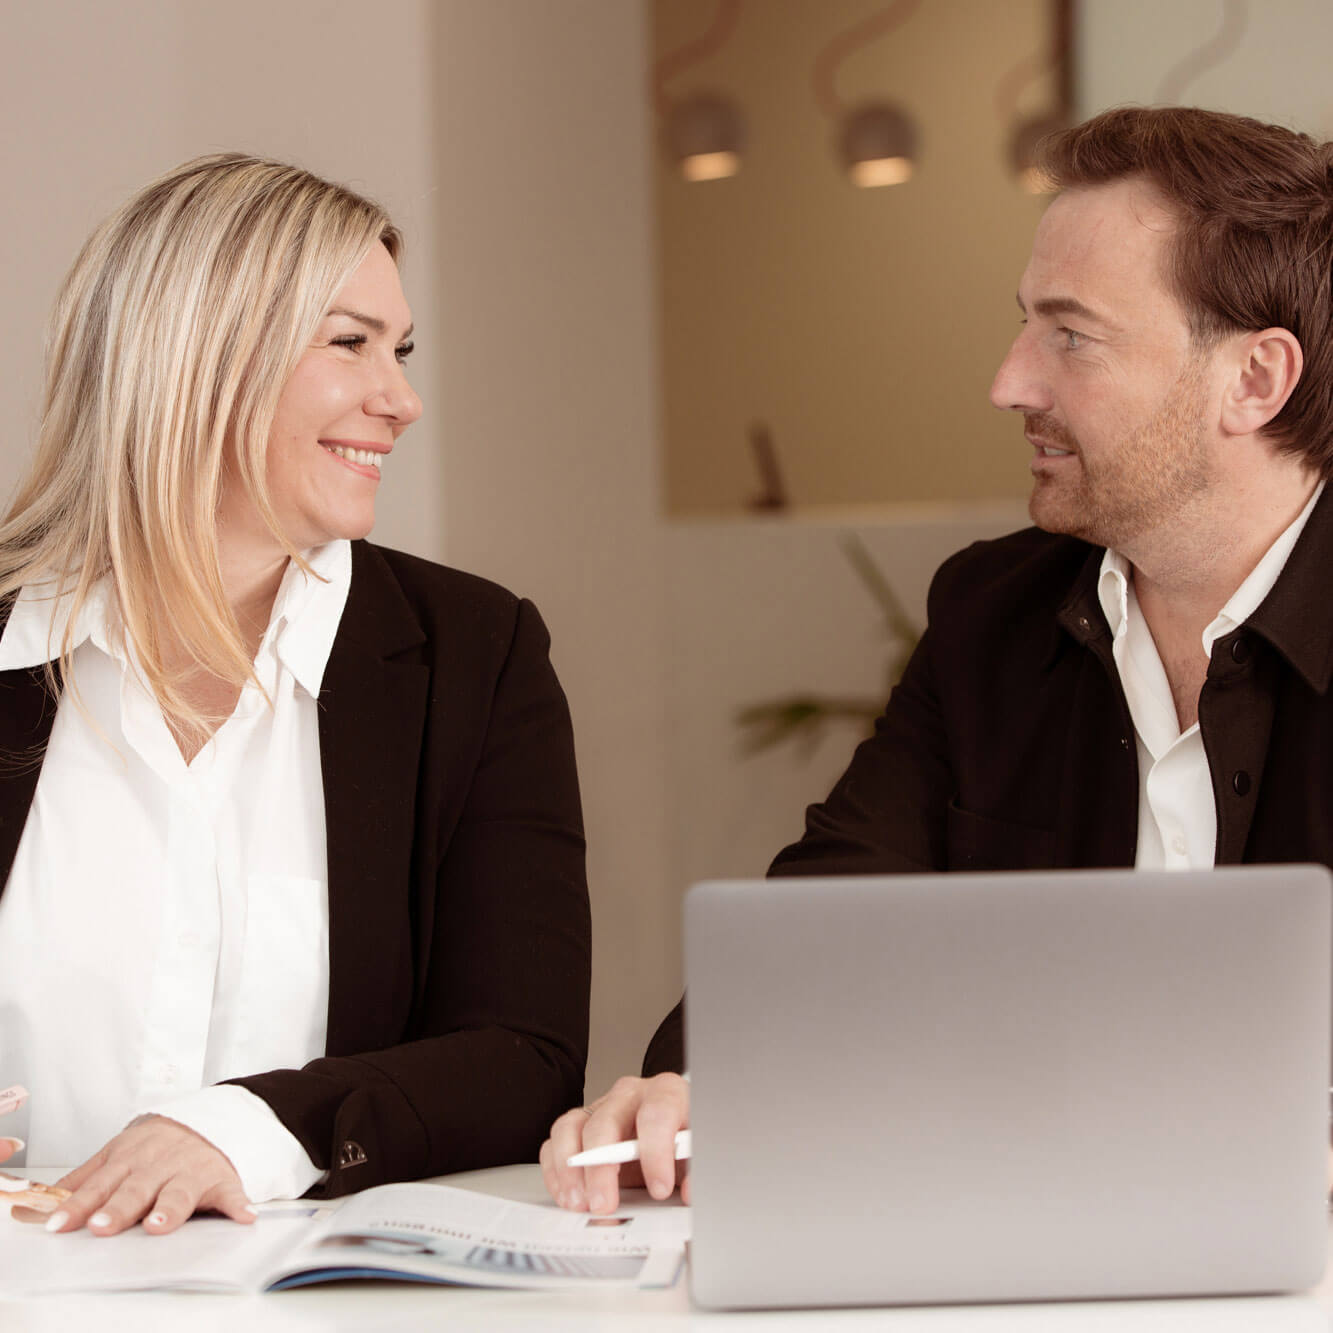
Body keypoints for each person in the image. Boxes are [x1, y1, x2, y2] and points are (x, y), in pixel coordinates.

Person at [542, 102, 1333, 1213]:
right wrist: (692, 1081)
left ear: (1253, 380)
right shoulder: (991, 615)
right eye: (1024, 326)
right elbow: (829, 916)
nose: (1009, 382)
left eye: (1070, 334)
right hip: (1026, 1247)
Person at [0, 153, 590, 1234]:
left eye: (401, 350)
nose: (401, 399)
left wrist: (242, 1125)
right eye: (350, 342)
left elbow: (521, 1058)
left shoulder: (476, 652)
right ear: (195, 357)